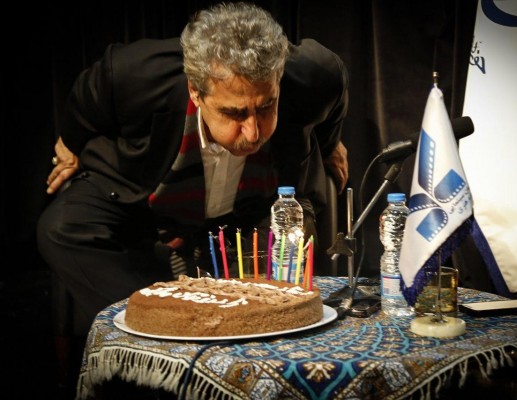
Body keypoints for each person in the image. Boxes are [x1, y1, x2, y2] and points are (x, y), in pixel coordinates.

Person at [37, 1, 349, 335]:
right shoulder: (137, 74)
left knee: (268, 306)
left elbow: (334, 89)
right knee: (61, 227)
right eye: (234, 113)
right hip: (149, 204)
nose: (253, 132)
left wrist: (329, 144)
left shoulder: (313, 74)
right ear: (195, 92)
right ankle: (155, 326)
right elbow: (90, 95)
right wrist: (70, 143)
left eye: (266, 106)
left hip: (254, 209)